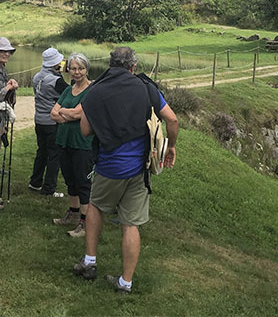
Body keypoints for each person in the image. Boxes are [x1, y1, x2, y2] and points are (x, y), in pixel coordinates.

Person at [63, 46, 178, 293]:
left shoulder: (95, 91)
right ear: (133, 67)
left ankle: (90, 262)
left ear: (110, 64)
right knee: (130, 224)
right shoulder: (147, 88)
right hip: (139, 168)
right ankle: (125, 283)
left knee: (94, 206)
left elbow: (85, 131)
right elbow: (172, 119)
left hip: (108, 166)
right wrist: (171, 147)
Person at [50, 53, 94, 237]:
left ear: (86, 69)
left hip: (82, 142)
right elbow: (53, 113)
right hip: (64, 141)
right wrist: (68, 114)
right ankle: (73, 213)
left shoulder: (92, 90)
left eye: (80, 68)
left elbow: (78, 113)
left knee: (83, 181)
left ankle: (85, 223)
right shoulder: (69, 90)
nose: (77, 72)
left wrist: (66, 114)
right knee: (70, 179)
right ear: (68, 69)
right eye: (73, 68)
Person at [29, 47, 69, 196]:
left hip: (39, 119)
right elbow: (70, 93)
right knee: (54, 155)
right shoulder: (56, 80)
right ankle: (49, 188)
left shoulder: (37, 76)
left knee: (42, 152)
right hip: (52, 121)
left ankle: (35, 181)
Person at [0, 37, 18, 139]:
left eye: (9, 52)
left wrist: (11, 86)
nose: (7, 54)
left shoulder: (3, 68)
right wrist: (7, 88)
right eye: (3, 51)